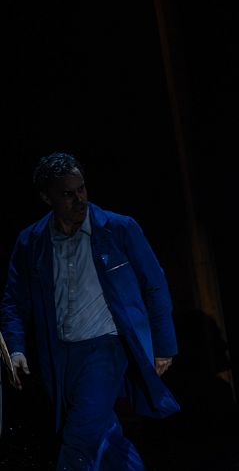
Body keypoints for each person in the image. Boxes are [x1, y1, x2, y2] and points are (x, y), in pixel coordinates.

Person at [0, 152, 179, 469]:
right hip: (59, 355)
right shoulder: (31, 242)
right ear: (47, 196)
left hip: (105, 349)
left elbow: (155, 285)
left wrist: (163, 346)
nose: (79, 199)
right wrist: (15, 348)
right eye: (67, 194)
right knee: (106, 437)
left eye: (81, 189)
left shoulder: (119, 228)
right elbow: (14, 299)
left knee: (79, 439)